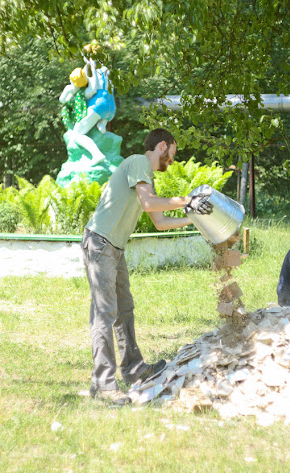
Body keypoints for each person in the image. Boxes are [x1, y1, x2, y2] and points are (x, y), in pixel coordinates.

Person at [81, 128, 213, 406]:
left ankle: (134, 370)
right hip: (100, 243)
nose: (173, 161)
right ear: (162, 146)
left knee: (124, 310)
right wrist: (186, 201)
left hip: (113, 248)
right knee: (105, 312)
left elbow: (160, 221)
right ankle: (103, 384)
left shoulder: (146, 177)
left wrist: (194, 220)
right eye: (172, 155)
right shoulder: (139, 162)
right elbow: (149, 203)